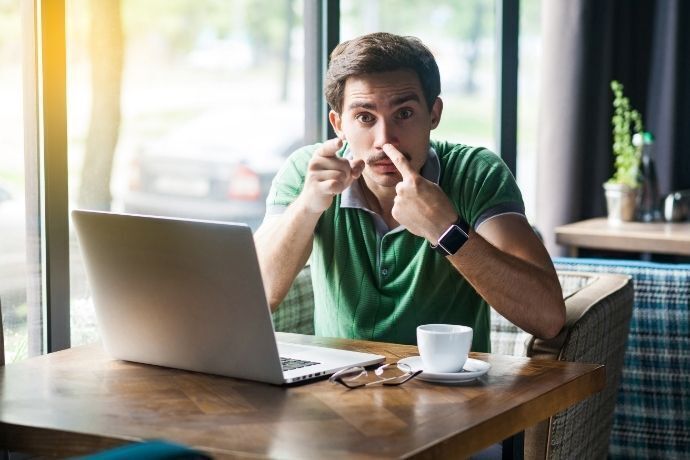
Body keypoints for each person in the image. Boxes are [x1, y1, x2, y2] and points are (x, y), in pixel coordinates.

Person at [254, 32, 565, 351]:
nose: (385, 140)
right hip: (337, 391)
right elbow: (257, 297)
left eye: (403, 114)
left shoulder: (475, 172)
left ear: (434, 113)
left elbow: (548, 318)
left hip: (451, 394)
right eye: (364, 117)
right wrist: (307, 206)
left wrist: (446, 230)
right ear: (338, 123)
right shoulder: (311, 171)